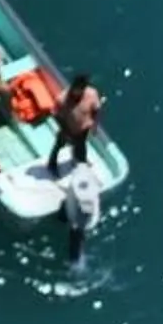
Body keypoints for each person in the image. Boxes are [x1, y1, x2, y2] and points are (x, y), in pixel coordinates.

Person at [45, 74, 106, 267]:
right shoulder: (63, 99)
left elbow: (96, 110)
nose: (76, 93)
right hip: (67, 128)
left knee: (81, 150)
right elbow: (56, 114)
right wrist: (66, 129)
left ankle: (80, 162)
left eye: (79, 90)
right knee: (58, 145)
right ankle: (52, 162)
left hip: (82, 130)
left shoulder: (91, 94)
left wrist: (95, 125)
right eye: (74, 90)